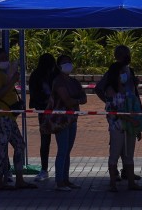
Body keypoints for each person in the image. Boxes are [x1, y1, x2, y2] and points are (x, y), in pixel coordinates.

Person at [0, 47, 35, 191]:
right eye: (2, 58)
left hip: (9, 116)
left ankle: (19, 179)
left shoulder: (3, 74)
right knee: (1, 148)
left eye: (6, 58)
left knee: (20, 144)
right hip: (2, 116)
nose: (5, 61)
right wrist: (12, 82)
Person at [95, 44, 142, 182]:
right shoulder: (113, 71)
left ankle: (127, 172)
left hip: (130, 112)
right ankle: (114, 173)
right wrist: (110, 102)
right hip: (117, 116)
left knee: (129, 145)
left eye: (128, 54)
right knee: (116, 143)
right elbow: (98, 89)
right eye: (124, 55)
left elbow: (133, 93)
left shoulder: (130, 71)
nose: (127, 58)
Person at [102, 61, 142, 193]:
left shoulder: (128, 88)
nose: (125, 74)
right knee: (114, 155)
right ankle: (113, 183)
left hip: (130, 127)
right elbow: (115, 111)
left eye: (126, 71)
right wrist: (132, 120)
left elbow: (133, 106)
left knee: (129, 156)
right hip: (117, 127)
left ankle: (131, 183)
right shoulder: (110, 90)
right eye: (123, 72)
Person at [51, 53, 86, 191]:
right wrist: (76, 100)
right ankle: (59, 181)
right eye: (64, 62)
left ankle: (65, 180)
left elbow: (84, 98)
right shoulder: (58, 81)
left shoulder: (74, 82)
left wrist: (75, 100)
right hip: (61, 120)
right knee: (62, 150)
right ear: (59, 66)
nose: (68, 65)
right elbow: (67, 100)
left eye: (69, 61)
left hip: (72, 119)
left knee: (68, 150)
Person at [28, 53, 57, 183]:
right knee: (57, 141)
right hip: (55, 111)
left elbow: (34, 94)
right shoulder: (54, 74)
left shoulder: (36, 74)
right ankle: (55, 169)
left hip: (44, 111)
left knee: (45, 141)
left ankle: (44, 169)